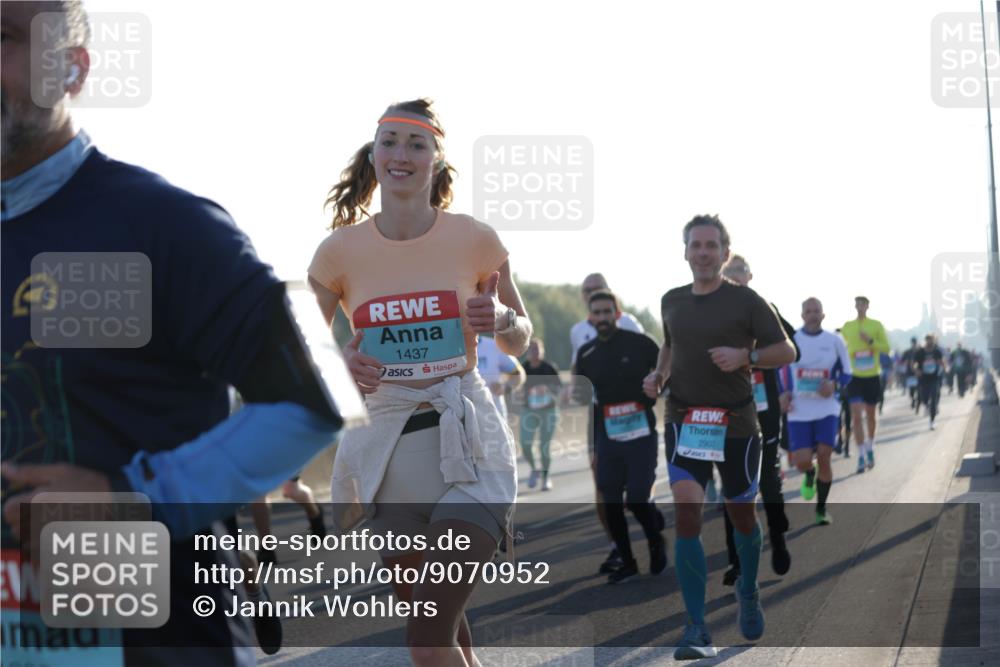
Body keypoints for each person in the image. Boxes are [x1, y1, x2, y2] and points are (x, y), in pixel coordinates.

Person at [1, 4, 355, 665]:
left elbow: (320, 391)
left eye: (3, 37)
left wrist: (141, 500)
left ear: (74, 69)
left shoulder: (162, 222)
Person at [308, 98, 531, 667]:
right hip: (387, 455)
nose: (400, 155)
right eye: (389, 142)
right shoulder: (339, 251)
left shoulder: (474, 239)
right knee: (438, 624)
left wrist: (502, 320)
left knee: (425, 639)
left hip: (469, 445)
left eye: (416, 144)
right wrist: (342, 368)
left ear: (436, 158)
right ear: (373, 152)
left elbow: (521, 339)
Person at [643, 215, 796, 658]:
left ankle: (747, 589)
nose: (704, 253)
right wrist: (658, 374)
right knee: (687, 514)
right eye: (696, 245)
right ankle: (696, 629)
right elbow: (670, 346)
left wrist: (746, 355)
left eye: (712, 246)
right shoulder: (671, 300)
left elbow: (786, 350)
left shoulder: (747, 301)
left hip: (736, 425)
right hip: (685, 420)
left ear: (725, 253)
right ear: (685, 252)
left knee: (741, 516)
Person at [575, 290, 667, 583]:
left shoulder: (641, 344)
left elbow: (667, 369)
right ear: (590, 317)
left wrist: (661, 386)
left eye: (607, 312)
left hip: (641, 434)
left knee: (638, 498)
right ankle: (627, 561)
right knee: (610, 499)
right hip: (608, 437)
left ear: (617, 313)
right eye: (596, 313)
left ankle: (655, 539)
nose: (602, 318)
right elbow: (589, 402)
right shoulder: (586, 354)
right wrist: (592, 445)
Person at [718, 255, 795, 585]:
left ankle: (777, 539)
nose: (735, 277)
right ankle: (736, 561)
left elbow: (793, 349)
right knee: (732, 489)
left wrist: (753, 358)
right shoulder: (712, 313)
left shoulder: (765, 308)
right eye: (729, 273)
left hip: (764, 410)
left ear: (749, 276)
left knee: (767, 481)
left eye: (740, 272)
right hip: (728, 411)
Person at [569, 272, 647, 574]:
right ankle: (616, 543)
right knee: (601, 481)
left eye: (598, 290)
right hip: (598, 414)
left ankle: (645, 521)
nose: (592, 294)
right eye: (587, 291)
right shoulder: (578, 330)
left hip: (631, 412)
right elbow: (579, 368)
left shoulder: (628, 324)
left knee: (635, 485)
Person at [781, 298, 852, 525]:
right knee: (801, 462)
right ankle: (809, 474)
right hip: (799, 411)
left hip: (826, 408)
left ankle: (821, 509)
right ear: (802, 315)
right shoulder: (792, 341)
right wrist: (783, 394)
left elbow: (847, 373)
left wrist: (834, 385)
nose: (812, 314)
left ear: (823, 315)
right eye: (808, 311)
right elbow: (780, 371)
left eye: (816, 311)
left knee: (824, 454)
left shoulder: (835, 340)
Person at [841, 296, 890, 474]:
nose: (860, 306)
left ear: (868, 306)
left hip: (872, 375)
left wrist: (870, 341)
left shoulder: (876, 325)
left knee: (870, 415)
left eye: (863, 304)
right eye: (857, 304)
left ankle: (870, 447)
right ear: (855, 306)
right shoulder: (848, 326)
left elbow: (886, 348)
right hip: (855, 376)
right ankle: (860, 454)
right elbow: (841, 347)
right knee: (855, 416)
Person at [520, 338, 562, 491]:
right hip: (529, 410)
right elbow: (516, 386)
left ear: (542, 351)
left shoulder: (549, 368)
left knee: (544, 446)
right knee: (525, 444)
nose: (535, 352)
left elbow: (559, 389)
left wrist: (547, 389)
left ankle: (545, 478)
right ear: (527, 352)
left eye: (538, 349)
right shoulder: (523, 368)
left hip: (548, 411)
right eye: (532, 349)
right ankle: (534, 469)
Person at [477, 333, 526, 421]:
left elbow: (518, 374)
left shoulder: (494, 346)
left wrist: (505, 387)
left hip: (494, 416)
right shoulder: (449, 350)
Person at [914, 334, 945, 429]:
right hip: (923, 379)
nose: (930, 342)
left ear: (934, 341)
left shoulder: (937, 352)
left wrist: (945, 368)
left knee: (934, 397)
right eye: (928, 340)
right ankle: (926, 405)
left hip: (934, 378)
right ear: (926, 341)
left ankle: (932, 421)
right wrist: (916, 370)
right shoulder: (920, 352)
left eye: (931, 340)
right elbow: (915, 363)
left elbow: (941, 361)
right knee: (924, 398)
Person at [901, 337, 921, 409]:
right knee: (911, 389)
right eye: (913, 342)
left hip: (918, 373)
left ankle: (918, 401)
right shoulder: (907, 352)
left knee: (919, 389)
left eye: (914, 342)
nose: (914, 344)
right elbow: (902, 360)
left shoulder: (920, 351)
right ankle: (913, 400)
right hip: (910, 373)